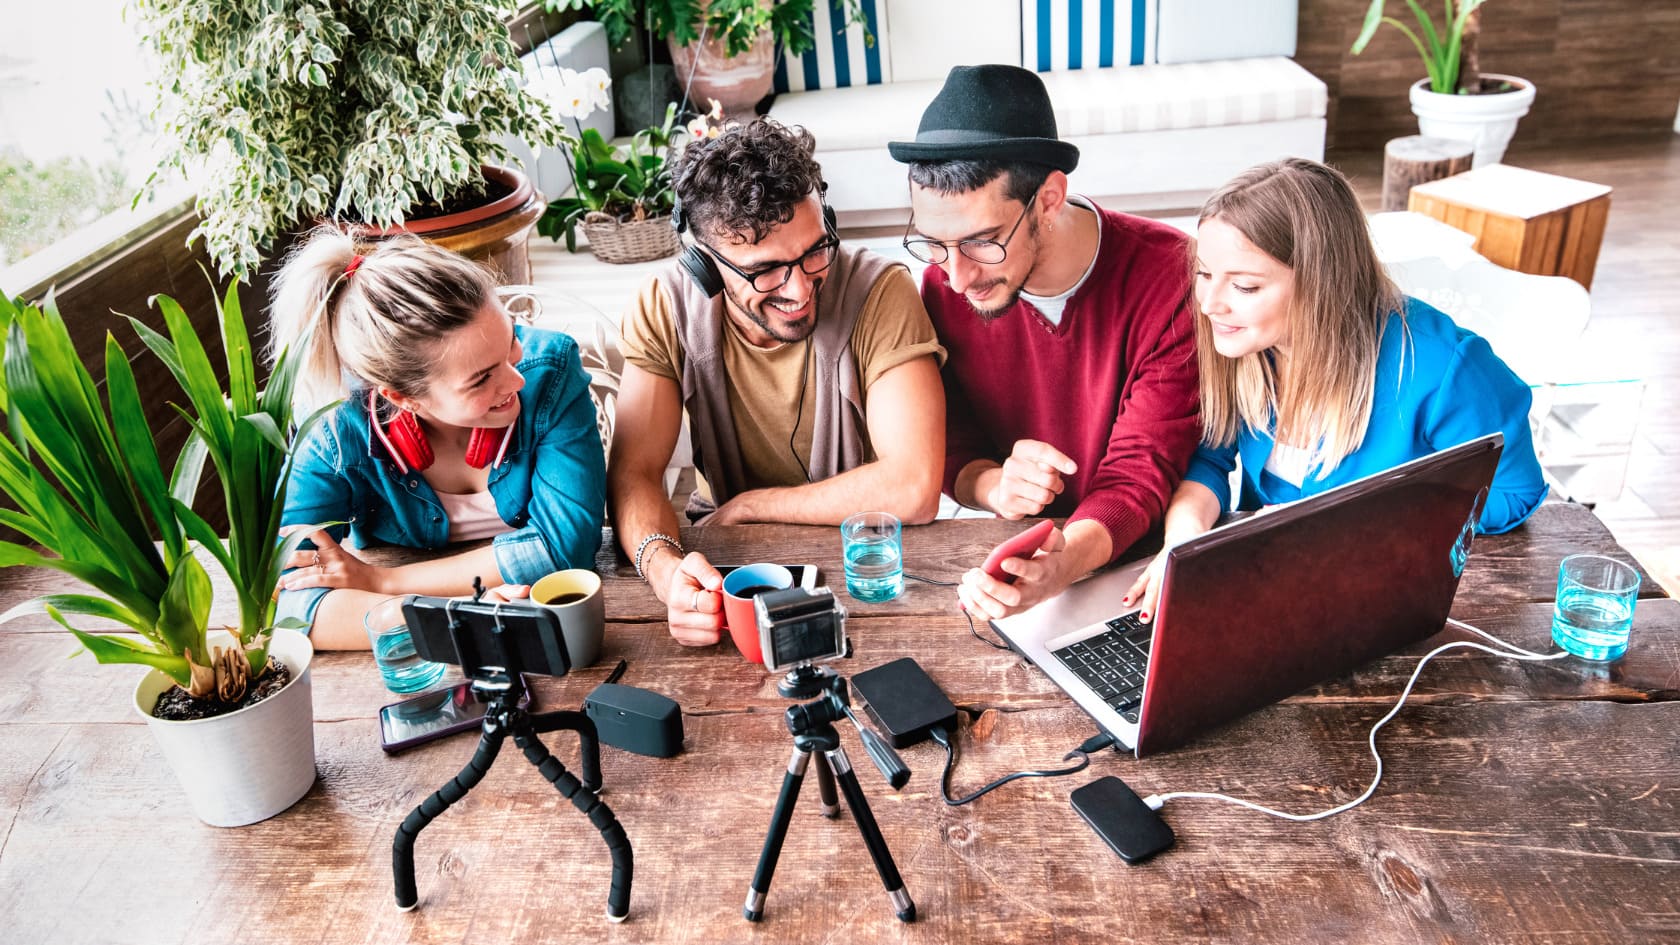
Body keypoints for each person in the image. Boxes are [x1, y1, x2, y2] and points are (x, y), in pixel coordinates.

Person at [1125, 157, 1549, 617]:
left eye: (1244, 286)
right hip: (1264, 585)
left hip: (1380, 594)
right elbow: (1210, 458)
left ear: (1320, 283)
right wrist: (1181, 546)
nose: (1209, 304)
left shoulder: (1444, 367)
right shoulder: (1241, 342)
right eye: (1204, 274)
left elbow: (1513, 491)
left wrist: (1368, 526)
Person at [611, 118, 947, 647]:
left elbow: (914, 486)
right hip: (727, 558)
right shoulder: (666, 303)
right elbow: (633, 474)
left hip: (858, 557)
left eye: (815, 250)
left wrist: (751, 506)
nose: (800, 288)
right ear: (705, 264)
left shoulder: (881, 291)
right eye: (764, 271)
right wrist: (663, 569)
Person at [888, 64, 1202, 621]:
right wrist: (991, 484)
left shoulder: (1171, 277)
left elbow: (1139, 479)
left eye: (983, 242)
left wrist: (1060, 566)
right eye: (933, 243)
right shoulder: (944, 277)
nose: (956, 278)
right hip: (1000, 550)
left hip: (1127, 572)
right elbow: (949, 439)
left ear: (1050, 199)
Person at [270, 228, 606, 649]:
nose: (516, 379)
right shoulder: (332, 430)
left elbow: (563, 550)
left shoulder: (552, 368)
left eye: (510, 345)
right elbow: (288, 599)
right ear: (402, 398)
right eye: (482, 378)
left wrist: (379, 579)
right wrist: (449, 616)